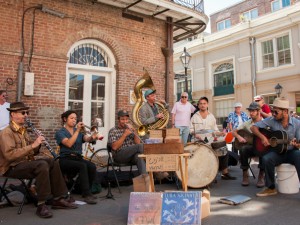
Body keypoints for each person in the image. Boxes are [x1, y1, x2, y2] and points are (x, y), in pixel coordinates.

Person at [0, 102, 77, 218]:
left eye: (27, 112)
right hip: (11, 167)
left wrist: (38, 144)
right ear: (13, 114)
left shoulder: (23, 130)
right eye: (23, 113)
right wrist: (32, 146)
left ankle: (59, 197)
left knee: (51, 161)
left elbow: (32, 151)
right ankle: (41, 204)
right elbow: (9, 155)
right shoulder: (6, 132)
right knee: (41, 165)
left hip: (24, 163)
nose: (26, 115)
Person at [251, 97, 300, 197]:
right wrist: (263, 137)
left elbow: (299, 142)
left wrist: (297, 144)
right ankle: (270, 188)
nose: (273, 113)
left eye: (276, 112)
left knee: (299, 155)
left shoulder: (297, 123)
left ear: (285, 111)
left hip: (291, 152)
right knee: (266, 158)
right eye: (272, 111)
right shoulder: (271, 120)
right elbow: (253, 127)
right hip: (277, 152)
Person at [55, 110, 98, 205]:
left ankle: (85, 190)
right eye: (71, 118)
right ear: (65, 119)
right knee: (82, 166)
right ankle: (86, 195)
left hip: (77, 157)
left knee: (92, 166)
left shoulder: (77, 131)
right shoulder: (60, 132)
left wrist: (93, 136)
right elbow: (69, 144)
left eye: (75, 118)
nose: (74, 120)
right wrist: (78, 130)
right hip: (65, 158)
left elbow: (86, 139)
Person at [190, 96, 236, 180]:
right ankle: (208, 174)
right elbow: (190, 129)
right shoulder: (194, 117)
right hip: (198, 141)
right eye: (201, 104)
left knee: (223, 149)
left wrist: (220, 133)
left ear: (207, 104)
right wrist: (194, 133)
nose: (202, 105)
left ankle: (224, 173)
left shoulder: (211, 116)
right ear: (198, 105)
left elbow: (215, 131)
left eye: (204, 103)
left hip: (210, 140)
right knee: (206, 153)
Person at [232, 102, 265, 187]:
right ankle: (245, 174)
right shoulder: (247, 123)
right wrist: (239, 137)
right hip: (252, 148)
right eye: (250, 111)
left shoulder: (265, 123)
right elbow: (234, 131)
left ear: (258, 111)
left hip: (262, 148)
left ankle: (261, 175)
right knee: (243, 149)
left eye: (253, 111)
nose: (251, 113)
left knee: (263, 149)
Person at [107, 110, 146, 175]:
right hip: (119, 156)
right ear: (118, 120)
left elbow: (137, 142)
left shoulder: (129, 129)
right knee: (141, 146)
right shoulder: (113, 131)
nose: (125, 122)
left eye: (126, 119)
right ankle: (157, 169)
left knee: (139, 157)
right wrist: (124, 134)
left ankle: (146, 180)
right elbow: (114, 147)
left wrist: (135, 131)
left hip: (131, 156)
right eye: (122, 119)